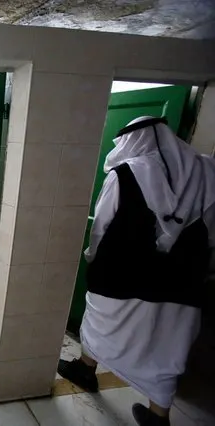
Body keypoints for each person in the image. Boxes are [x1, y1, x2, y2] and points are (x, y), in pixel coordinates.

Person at [57, 116, 215, 426]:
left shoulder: (126, 174)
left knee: (102, 324)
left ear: (135, 140)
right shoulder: (207, 174)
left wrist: (93, 256)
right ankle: (158, 416)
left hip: (122, 275)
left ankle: (86, 369)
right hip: (181, 280)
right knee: (169, 346)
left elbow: (101, 225)